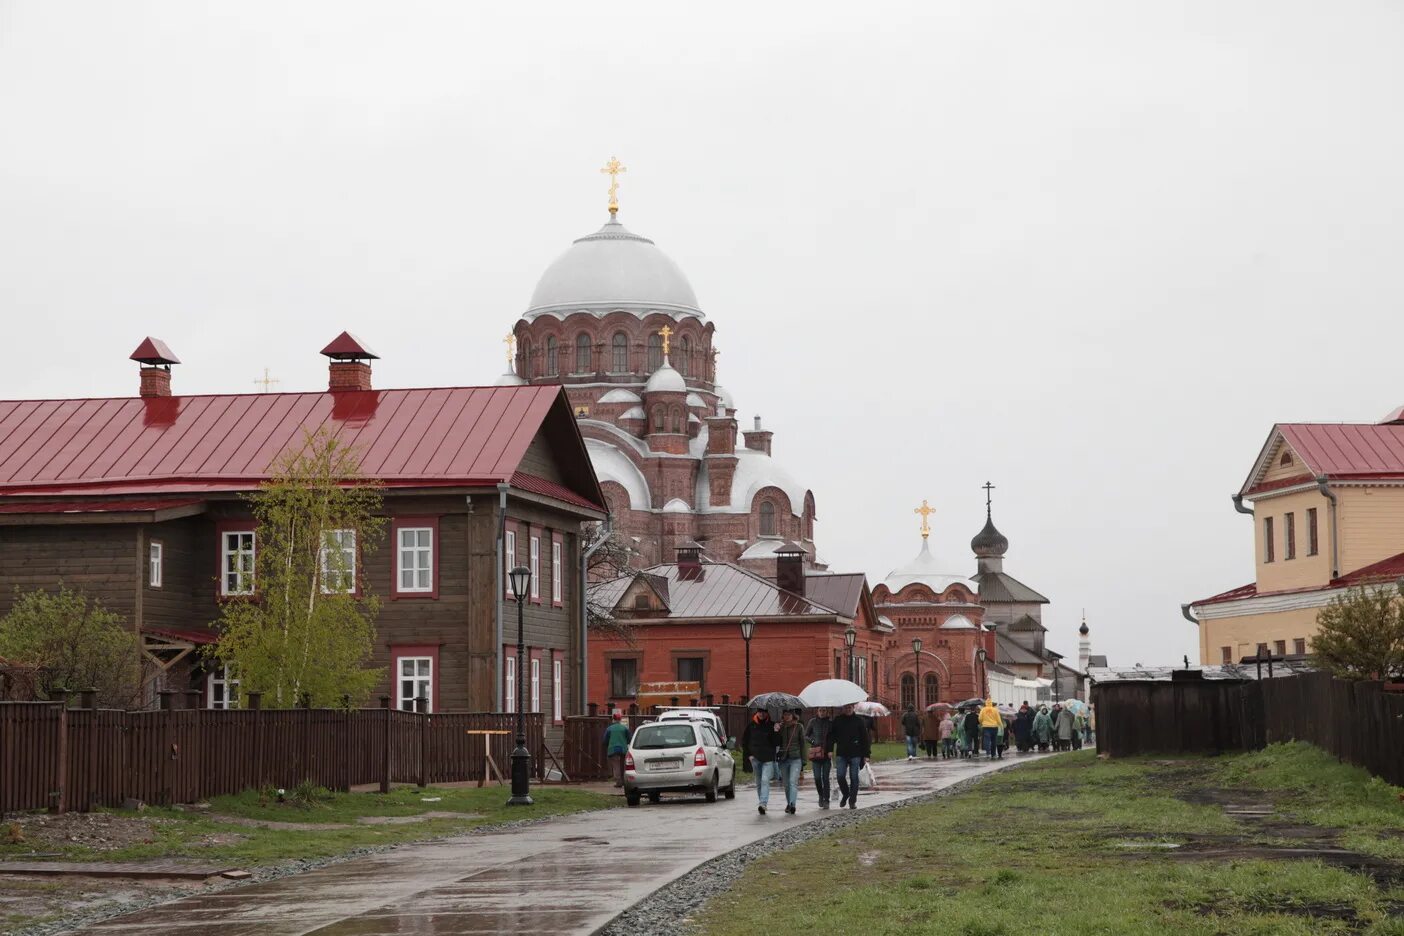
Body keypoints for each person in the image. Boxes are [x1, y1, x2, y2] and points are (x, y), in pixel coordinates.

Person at [825, 702, 871, 809]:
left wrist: (866, 755)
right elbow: (831, 736)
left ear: (853, 708)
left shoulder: (859, 721)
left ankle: (852, 801)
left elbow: (865, 739)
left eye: (850, 707)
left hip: (856, 754)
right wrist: (830, 749)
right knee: (840, 776)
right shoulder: (838, 720)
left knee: (854, 778)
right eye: (846, 707)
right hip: (842, 753)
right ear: (843, 708)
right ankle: (846, 793)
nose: (848, 709)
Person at [741, 709, 778, 815]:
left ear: (767, 713)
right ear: (757, 713)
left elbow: (776, 743)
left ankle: (763, 804)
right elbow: (745, 741)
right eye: (760, 712)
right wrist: (749, 755)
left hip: (768, 758)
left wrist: (776, 731)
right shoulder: (751, 726)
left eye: (764, 712)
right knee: (758, 783)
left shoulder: (772, 725)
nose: (761, 714)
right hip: (755, 759)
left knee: (765, 780)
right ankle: (762, 802)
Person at [774, 710, 806, 814]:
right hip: (783, 759)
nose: (787, 716)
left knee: (793, 782)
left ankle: (793, 804)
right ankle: (789, 803)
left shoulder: (799, 727)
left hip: (795, 758)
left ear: (793, 716)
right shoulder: (780, 727)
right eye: (785, 715)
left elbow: (802, 744)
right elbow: (775, 742)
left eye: (789, 715)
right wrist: (776, 731)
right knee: (787, 784)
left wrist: (804, 760)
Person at [805, 707, 834, 809]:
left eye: (824, 710)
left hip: (826, 754)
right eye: (820, 710)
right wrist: (813, 741)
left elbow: (832, 738)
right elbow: (806, 735)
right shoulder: (812, 722)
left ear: (827, 712)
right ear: (817, 711)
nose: (822, 712)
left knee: (825, 778)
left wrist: (831, 750)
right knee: (817, 777)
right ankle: (820, 795)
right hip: (816, 754)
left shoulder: (830, 723)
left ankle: (826, 799)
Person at [603, 711, 630, 788]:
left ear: (613, 719)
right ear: (620, 719)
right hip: (623, 749)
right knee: (624, 765)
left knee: (616, 766)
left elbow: (605, 740)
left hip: (613, 750)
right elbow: (629, 739)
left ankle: (618, 782)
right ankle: (625, 781)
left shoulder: (609, 729)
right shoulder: (625, 728)